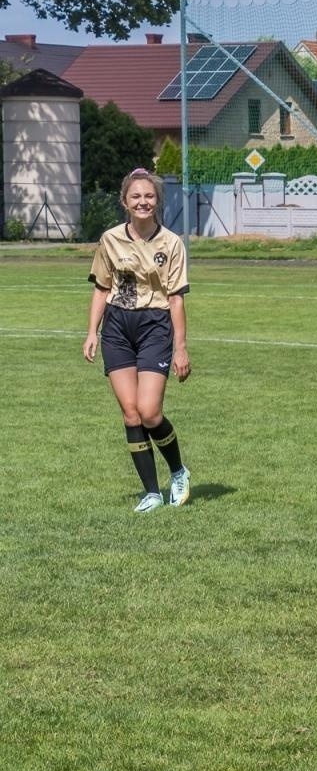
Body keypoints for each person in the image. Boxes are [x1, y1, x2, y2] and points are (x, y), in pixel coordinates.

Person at [82, 168, 193, 513]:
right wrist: (92, 332)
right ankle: (151, 493)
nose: (143, 202)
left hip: (155, 327)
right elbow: (102, 288)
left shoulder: (171, 243)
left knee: (149, 411)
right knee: (131, 414)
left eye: (149, 196)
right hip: (117, 327)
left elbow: (176, 299)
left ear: (157, 200)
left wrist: (181, 347)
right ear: (125, 202)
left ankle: (178, 472)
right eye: (136, 197)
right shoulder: (110, 239)